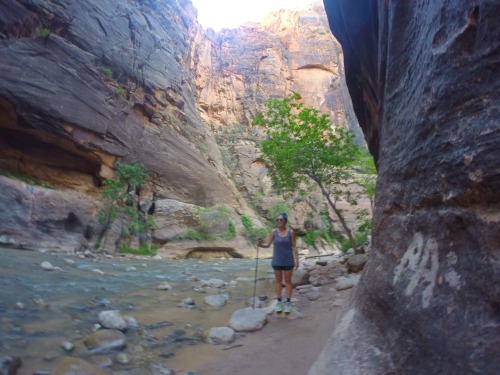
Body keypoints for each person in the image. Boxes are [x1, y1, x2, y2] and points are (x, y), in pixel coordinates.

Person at [256, 213, 299, 314]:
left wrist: (297, 259)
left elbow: (294, 246)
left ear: (285, 221)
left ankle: (288, 303)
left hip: (288, 260)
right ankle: (279, 302)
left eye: (281, 220)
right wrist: (260, 245)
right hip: (277, 261)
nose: (279, 221)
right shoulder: (273, 232)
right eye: (277, 220)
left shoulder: (291, 232)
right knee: (278, 282)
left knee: (288, 281)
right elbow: (267, 244)